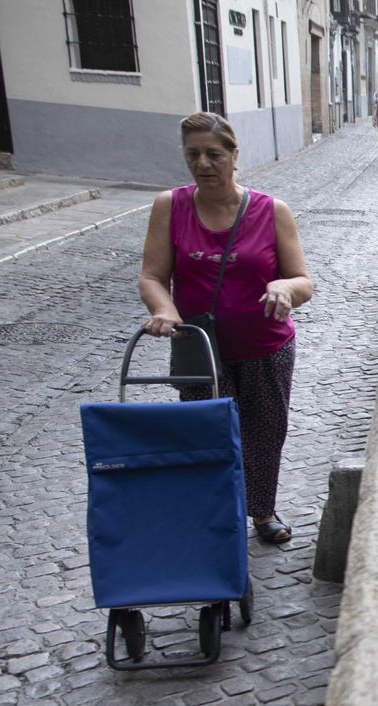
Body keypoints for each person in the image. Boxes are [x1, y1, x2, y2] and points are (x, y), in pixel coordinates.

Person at [137, 112, 313, 545]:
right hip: (199, 350)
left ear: (235, 155)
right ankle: (217, 512)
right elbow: (152, 276)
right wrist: (165, 309)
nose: (203, 164)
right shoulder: (170, 206)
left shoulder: (272, 211)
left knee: (264, 433)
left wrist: (282, 287)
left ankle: (262, 510)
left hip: (265, 346)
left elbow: (304, 282)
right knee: (206, 434)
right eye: (192, 154)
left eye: (214, 154)